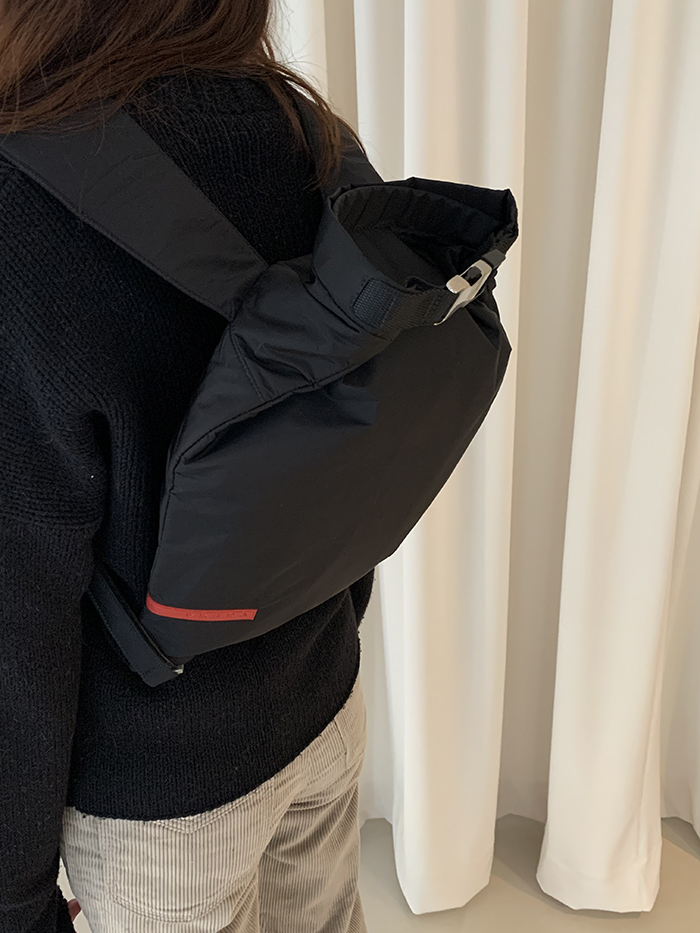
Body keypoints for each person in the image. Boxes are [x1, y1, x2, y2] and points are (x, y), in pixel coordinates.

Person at [0, 2, 374, 931]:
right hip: (324, 698)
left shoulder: (21, 211)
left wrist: (16, 895)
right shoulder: (301, 129)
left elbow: (18, 607)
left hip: (164, 800)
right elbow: (349, 449)